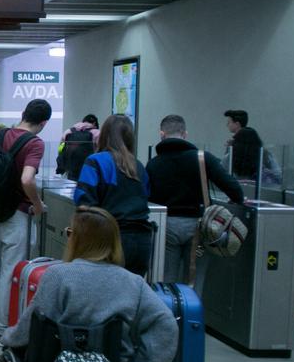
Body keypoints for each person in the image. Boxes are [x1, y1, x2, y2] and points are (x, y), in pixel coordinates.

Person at [1, 206, 179, 362]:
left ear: (79, 241)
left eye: (70, 233)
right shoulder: (134, 283)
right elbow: (166, 325)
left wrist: (8, 338)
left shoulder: (58, 276)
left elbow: (30, 326)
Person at [0, 99, 50, 345]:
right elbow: (28, 179)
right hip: (16, 213)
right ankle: (1, 330)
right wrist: (37, 205)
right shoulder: (35, 143)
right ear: (43, 123)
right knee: (9, 272)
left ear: (22, 114)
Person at [146, 114, 244, 287]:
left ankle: (168, 312)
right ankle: (192, 311)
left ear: (162, 135)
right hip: (199, 226)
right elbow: (235, 189)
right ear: (185, 134)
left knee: (166, 280)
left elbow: (148, 197)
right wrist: (236, 199)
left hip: (167, 226)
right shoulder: (202, 158)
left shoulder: (154, 164)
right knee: (194, 281)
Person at [74, 114, 153, 277]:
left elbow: (83, 202)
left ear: (104, 135)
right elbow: (146, 196)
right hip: (142, 241)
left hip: (110, 241)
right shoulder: (137, 166)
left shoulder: (95, 161)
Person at [55, 114, 99, 181]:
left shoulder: (68, 132)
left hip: (71, 169)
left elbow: (60, 149)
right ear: (94, 123)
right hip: (89, 169)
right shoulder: (97, 133)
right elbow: (101, 151)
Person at [223, 109, 264, 179]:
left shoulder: (234, 146)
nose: (227, 125)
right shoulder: (254, 139)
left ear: (237, 124)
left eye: (229, 122)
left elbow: (225, 167)